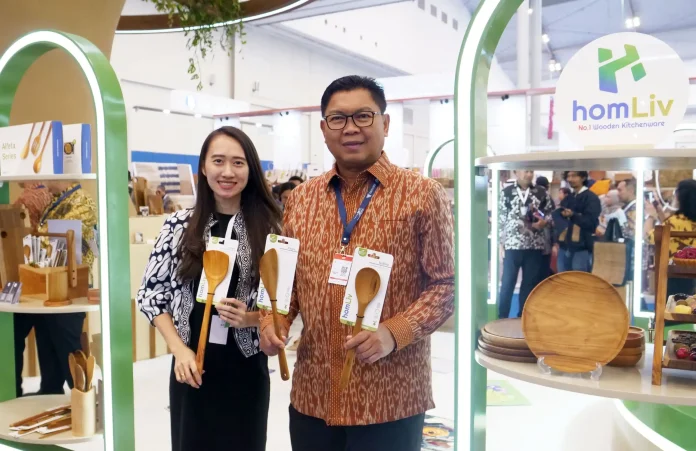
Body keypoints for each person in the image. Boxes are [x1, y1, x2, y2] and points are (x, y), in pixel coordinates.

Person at [259, 75, 454, 451]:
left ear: (385, 123)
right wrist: (272, 321)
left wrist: (393, 333)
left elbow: (446, 285)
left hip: (390, 398)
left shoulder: (422, 194)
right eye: (337, 118)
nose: (350, 128)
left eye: (363, 116)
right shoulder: (301, 199)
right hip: (314, 394)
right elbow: (285, 281)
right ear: (323, 129)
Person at [137, 126, 281, 451]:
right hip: (192, 366)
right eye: (218, 161)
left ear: (250, 169)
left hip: (246, 370)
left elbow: (282, 303)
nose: (227, 172)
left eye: (238, 163)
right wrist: (178, 350)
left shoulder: (271, 230)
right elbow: (151, 295)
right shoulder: (178, 226)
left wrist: (251, 319)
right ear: (203, 167)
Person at [14, 182, 97, 397]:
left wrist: (32, 232)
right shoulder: (57, 200)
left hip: (71, 286)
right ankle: (50, 393)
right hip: (50, 282)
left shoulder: (82, 200)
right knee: (47, 342)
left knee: (68, 345)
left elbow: (52, 236)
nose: (42, 185)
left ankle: (84, 400)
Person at [498, 171, 553, 318]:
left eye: (531, 171)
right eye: (525, 171)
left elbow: (549, 214)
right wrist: (500, 243)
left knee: (529, 284)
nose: (528, 174)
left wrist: (544, 222)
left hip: (534, 245)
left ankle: (523, 318)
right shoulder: (507, 192)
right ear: (516, 172)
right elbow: (500, 218)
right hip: (512, 244)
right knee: (507, 283)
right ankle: (501, 317)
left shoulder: (541, 192)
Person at [648, 179, 696, 296]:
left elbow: (650, 237)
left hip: (674, 275)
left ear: (679, 197)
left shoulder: (675, 221)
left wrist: (651, 216)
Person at [554, 171, 601, 273]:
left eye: (574, 176)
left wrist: (573, 215)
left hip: (582, 248)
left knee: (579, 279)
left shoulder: (591, 198)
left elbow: (591, 223)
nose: (570, 179)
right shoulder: (568, 198)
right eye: (568, 176)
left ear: (583, 178)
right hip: (564, 246)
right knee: (562, 278)